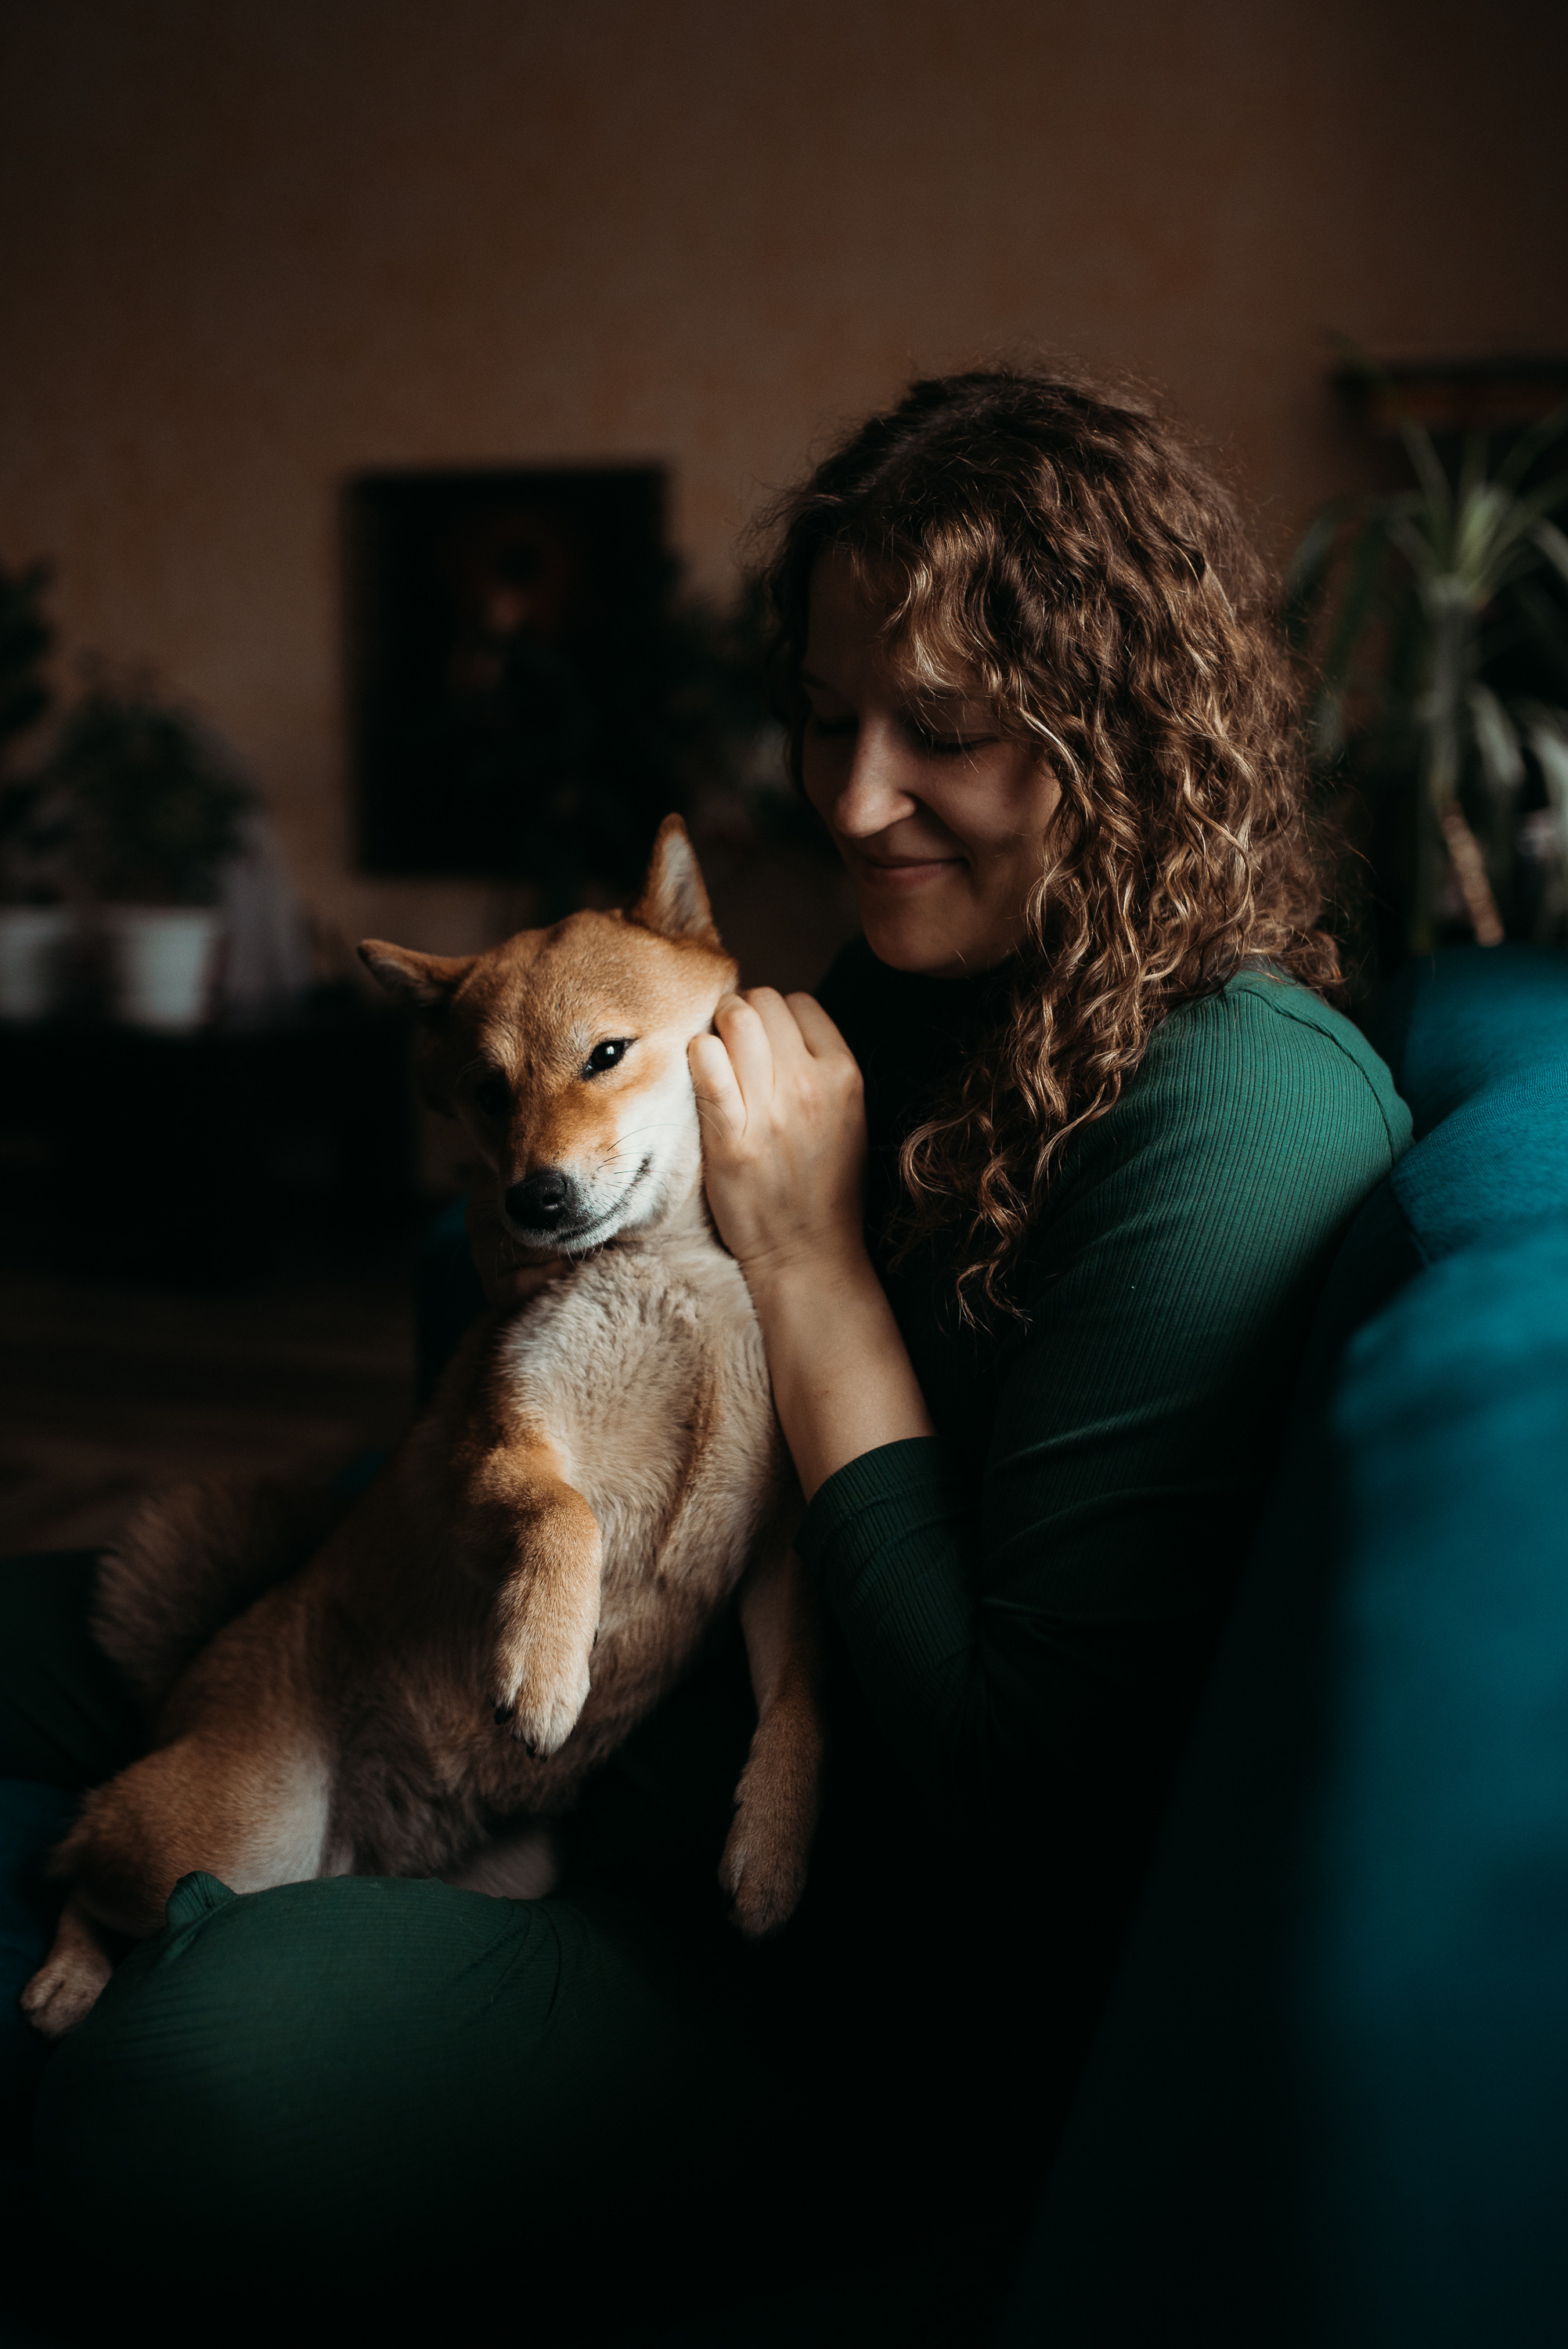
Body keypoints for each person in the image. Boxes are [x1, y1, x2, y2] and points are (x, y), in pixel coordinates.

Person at [0, 366, 1409, 2339]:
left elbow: (1016, 1798)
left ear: (1129, 731)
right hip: (547, 1689)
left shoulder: (1237, 1125)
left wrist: (816, 1267)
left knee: (184, 2084)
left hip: (802, 1967)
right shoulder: (912, 984)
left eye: (950, 731)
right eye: (827, 719)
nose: (846, 801)